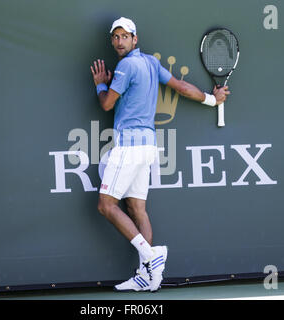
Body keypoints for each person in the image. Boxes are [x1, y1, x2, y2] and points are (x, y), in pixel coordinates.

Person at [90, 17, 230, 292]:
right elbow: (181, 86)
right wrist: (213, 99)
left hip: (129, 147)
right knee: (137, 209)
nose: (119, 42)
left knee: (106, 206)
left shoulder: (126, 66)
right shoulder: (151, 63)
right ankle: (148, 277)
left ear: (135, 39)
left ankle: (152, 256)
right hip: (148, 148)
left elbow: (107, 104)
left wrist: (99, 84)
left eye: (124, 36)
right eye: (115, 37)